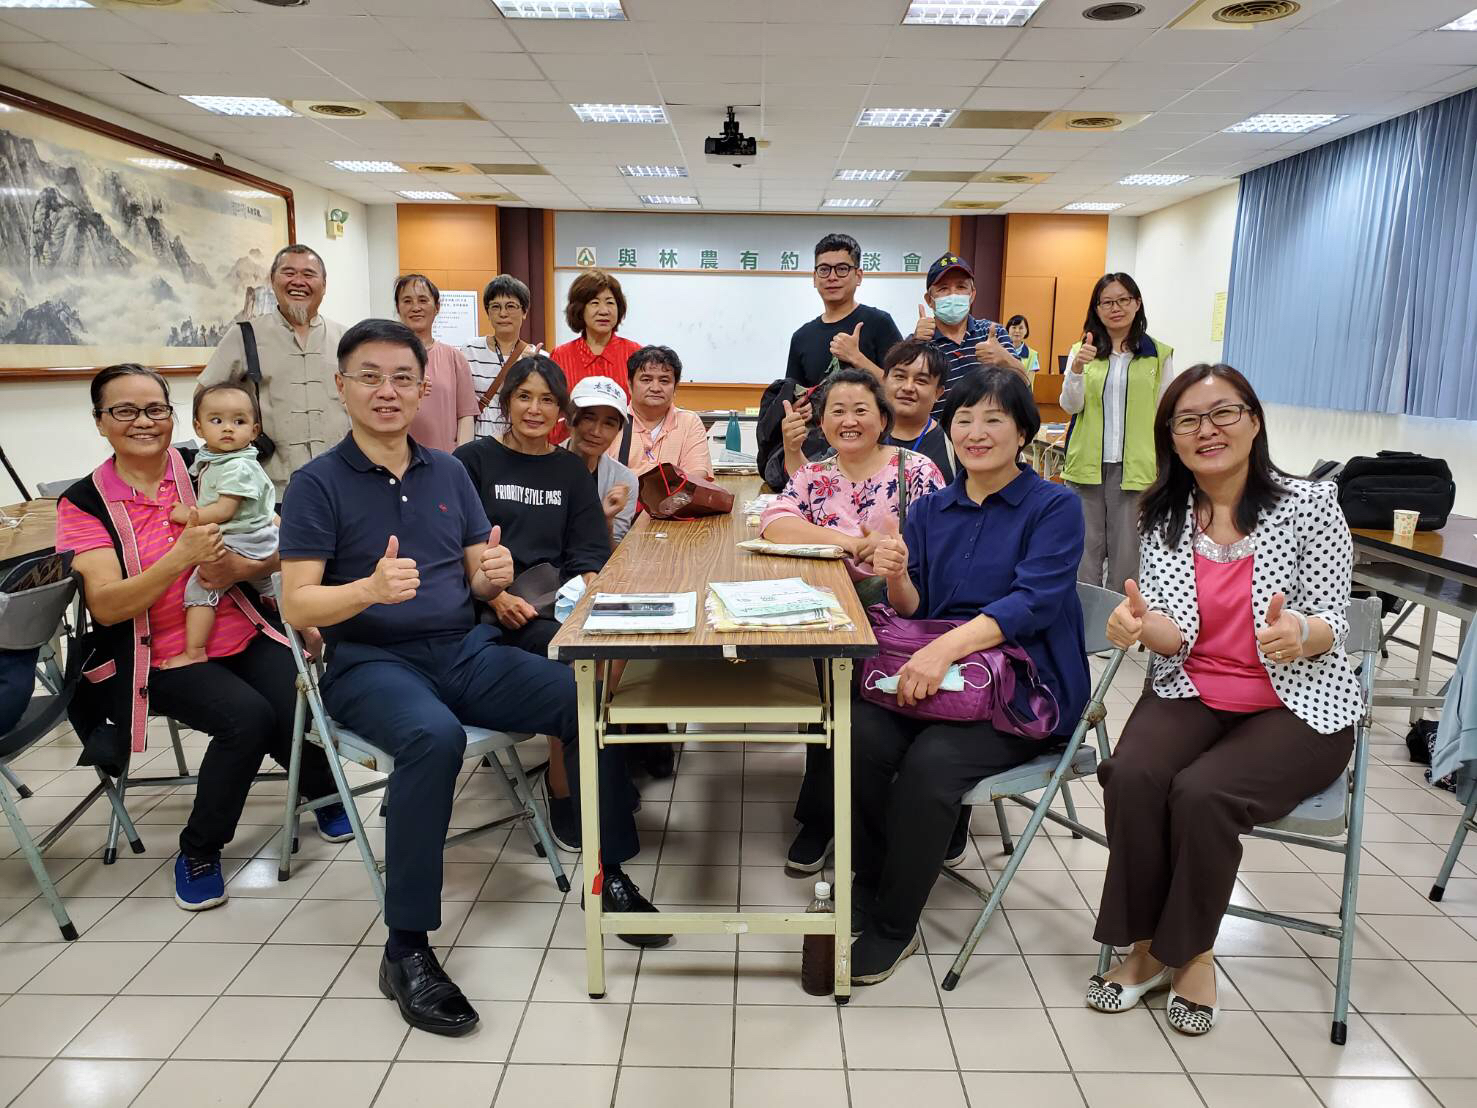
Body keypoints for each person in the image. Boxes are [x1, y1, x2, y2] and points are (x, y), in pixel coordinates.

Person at [278, 320, 665, 1037]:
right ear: (342, 386)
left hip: (460, 647)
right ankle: (406, 948)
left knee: (581, 698)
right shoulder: (316, 483)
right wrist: (366, 591)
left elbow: (476, 572)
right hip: (368, 660)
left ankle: (606, 872)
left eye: (402, 378)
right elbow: (298, 603)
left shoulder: (449, 471)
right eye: (369, 376)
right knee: (434, 738)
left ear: (423, 388)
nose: (387, 391)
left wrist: (491, 576)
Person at [1087, 363, 1361, 1036]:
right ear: (1171, 439)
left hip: (1297, 703)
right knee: (1132, 774)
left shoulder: (1310, 505)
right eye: (1187, 420)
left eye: (1223, 413)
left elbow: (1336, 618)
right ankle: (1145, 948)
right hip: (1193, 687)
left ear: (1253, 421)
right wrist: (1136, 626)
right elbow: (1172, 633)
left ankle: (1191, 954)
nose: (1206, 430)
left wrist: (1303, 633)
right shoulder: (1164, 514)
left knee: (1203, 793)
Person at [56, 364, 349, 914]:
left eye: (155, 409)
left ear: (175, 417)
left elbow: (283, 544)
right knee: (246, 719)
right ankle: (199, 850)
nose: (144, 421)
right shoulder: (85, 503)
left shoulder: (208, 464)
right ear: (99, 421)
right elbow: (107, 605)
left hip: (241, 624)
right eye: (125, 410)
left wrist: (245, 569)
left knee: (296, 698)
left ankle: (319, 789)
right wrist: (180, 558)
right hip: (159, 653)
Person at [851, 368, 1089, 984]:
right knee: (858, 736)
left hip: (1024, 689)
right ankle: (869, 883)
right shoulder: (931, 509)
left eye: (993, 419)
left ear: (1023, 431)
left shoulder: (1054, 506)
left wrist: (942, 653)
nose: (976, 432)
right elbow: (915, 609)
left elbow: (1033, 603)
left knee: (931, 763)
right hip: (941, 678)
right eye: (963, 419)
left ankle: (894, 925)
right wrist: (897, 574)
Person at [759, 368, 946, 875]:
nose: (849, 420)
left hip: (903, 612)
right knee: (826, 694)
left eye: (861, 410)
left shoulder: (917, 470)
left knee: (849, 700)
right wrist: (849, 544)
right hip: (832, 614)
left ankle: (888, 818)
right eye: (836, 411)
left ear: (883, 419)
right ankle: (822, 819)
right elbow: (775, 523)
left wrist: (890, 555)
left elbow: (939, 542)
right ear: (821, 423)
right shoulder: (814, 475)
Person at [454, 355, 610, 660]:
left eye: (547, 400)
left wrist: (587, 586)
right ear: (507, 402)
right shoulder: (471, 461)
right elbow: (452, 542)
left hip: (549, 606)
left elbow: (588, 548)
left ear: (561, 410)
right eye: (524, 396)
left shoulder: (572, 470)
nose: (535, 409)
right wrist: (498, 599)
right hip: (482, 607)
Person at [1060, 272, 1177, 593]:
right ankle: (1082, 619)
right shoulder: (1082, 350)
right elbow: (1070, 405)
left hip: (1136, 469)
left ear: (1137, 303)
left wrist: (1168, 466)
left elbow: (1166, 414)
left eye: (1123, 300)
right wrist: (1076, 369)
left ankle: (1119, 622)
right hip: (1086, 467)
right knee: (1083, 555)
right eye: (1107, 302)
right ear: (1096, 309)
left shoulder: (1157, 355)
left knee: (1127, 558)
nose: (1116, 308)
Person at [198, 244, 346, 491]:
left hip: (340, 481)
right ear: (272, 280)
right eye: (289, 273)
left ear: (324, 284)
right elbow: (204, 401)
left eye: (309, 274)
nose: (298, 281)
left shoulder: (347, 338)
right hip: (269, 487)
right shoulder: (244, 335)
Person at [162, 383, 279, 670]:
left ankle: (195, 651)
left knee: (200, 588)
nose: (228, 428)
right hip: (259, 535)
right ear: (198, 427)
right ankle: (303, 626)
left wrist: (188, 514)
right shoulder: (221, 459)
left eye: (238, 421)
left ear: (254, 430)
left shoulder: (235, 466)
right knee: (269, 586)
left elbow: (225, 511)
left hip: (243, 538)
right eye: (217, 420)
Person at [784, 233, 904, 389]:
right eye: (824, 269)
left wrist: (856, 358)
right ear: (814, 278)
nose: (832, 277)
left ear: (858, 276)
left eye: (842, 269)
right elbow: (792, 395)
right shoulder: (801, 337)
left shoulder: (880, 323)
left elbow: (900, 386)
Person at [911, 252, 1024, 412]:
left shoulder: (993, 333)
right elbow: (903, 394)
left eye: (961, 287)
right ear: (929, 299)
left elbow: (1024, 383)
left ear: (972, 295)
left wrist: (1004, 358)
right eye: (943, 288)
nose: (953, 294)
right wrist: (916, 345)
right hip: (938, 427)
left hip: (989, 424)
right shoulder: (918, 341)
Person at [394, 273, 478, 453]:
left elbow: (465, 416)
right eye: (407, 301)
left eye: (423, 300)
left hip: (444, 458)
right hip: (394, 458)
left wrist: (459, 459)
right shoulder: (387, 357)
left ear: (437, 307)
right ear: (398, 308)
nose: (415, 307)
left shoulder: (455, 358)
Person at [609, 345, 713, 479]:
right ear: (630, 385)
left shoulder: (689, 422)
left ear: (675, 387)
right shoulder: (611, 422)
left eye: (664, 381)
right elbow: (601, 478)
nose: (655, 388)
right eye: (646, 380)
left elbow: (697, 476)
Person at [564, 376, 639, 544]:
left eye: (609, 424)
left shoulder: (623, 480)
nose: (596, 432)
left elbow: (616, 554)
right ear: (569, 419)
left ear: (618, 431)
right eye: (588, 418)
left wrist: (606, 520)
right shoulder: (542, 466)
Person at [464, 274, 538, 441]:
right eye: (495, 307)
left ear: (524, 312)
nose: (503, 313)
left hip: (520, 446)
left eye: (511, 306)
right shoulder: (469, 350)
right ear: (488, 313)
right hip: (478, 445)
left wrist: (533, 370)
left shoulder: (537, 357)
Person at [550, 269, 642, 400]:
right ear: (580, 309)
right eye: (595, 303)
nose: (604, 311)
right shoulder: (560, 356)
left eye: (610, 302)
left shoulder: (635, 353)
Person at [880, 339, 954, 480]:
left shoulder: (954, 441)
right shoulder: (862, 433)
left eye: (921, 381)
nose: (908, 387)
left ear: (938, 392)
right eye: (900, 376)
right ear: (884, 380)